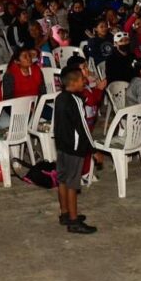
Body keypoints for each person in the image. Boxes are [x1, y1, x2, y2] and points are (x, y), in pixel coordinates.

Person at [53, 66, 96, 234]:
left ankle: (65, 213)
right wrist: (93, 149)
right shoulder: (75, 101)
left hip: (62, 146)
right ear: (73, 82)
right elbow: (83, 127)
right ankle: (73, 221)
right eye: (81, 80)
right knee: (72, 184)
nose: (84, 82)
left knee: (63, 180)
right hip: (74, 148)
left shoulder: (60, 98)